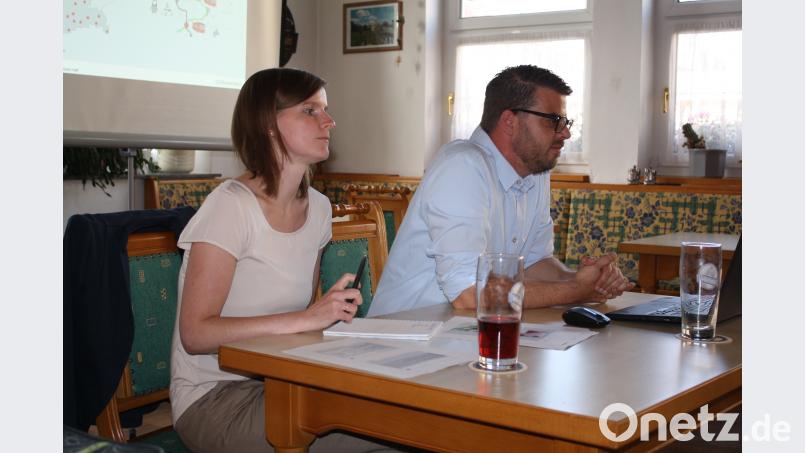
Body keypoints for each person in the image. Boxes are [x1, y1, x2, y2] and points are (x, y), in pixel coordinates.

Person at [170, 68, 395, 452]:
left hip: (281, 380)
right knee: (384, 434)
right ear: (268, 125)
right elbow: (196, 335)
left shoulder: (320, 209)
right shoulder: (230, 206)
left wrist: (331, 321)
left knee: (400, 413)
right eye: (310, 110)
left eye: (325, 110)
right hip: (215, 400)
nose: (329, 121)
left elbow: (299, 322)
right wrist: (309, 318)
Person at [369, 65, 634, 317]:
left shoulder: (535, 171)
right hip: (404, 341)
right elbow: (469, 294)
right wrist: (576, 291)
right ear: (510, 121)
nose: (565, 133)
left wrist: (586, 280)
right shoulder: (462, 166)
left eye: (566, 122)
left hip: (461, 335)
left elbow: (533, 263)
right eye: (553, 121)